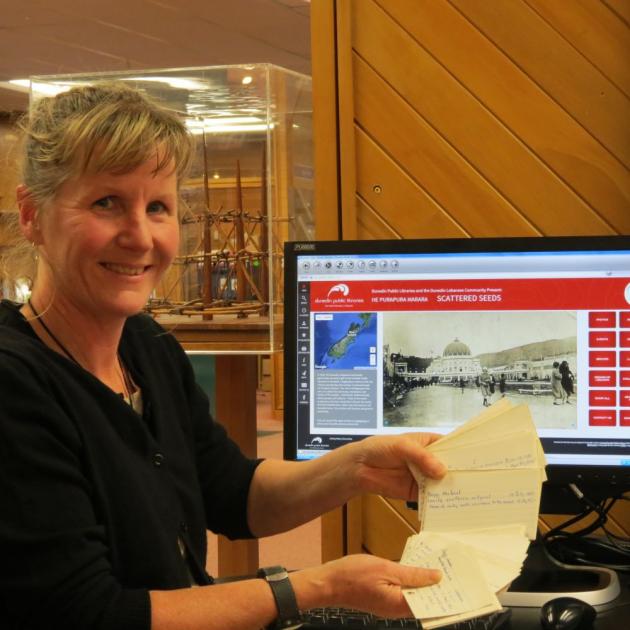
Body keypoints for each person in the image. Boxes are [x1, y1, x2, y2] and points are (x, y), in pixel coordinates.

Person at [0, 83, 446, 630]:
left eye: (158, 207)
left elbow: (234, 494)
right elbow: (92, 613)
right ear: (31, 215)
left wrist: (359, 466)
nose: (140, 237)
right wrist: (319, 587)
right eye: (106, 203)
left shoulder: (147, 347)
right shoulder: (14, 382)